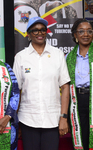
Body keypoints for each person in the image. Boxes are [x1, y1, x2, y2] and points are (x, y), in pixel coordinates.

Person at [13, 16, 70, 150]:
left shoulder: (57, 54)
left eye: (43, 30)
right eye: (35, 30)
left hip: (52, 118)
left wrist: (63, 117)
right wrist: (16, 122)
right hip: (27, 118)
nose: (40, 33)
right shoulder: (21, 57)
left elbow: (65, 86)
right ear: (28, 34)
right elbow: (17, 91)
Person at [66, 19, 93, 150]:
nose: (86, 34)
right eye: (81, 31)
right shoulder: (68, 58)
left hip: (92, 99)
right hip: (76, 102)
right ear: (75, 35)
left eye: (89, 31)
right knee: (82, 136)